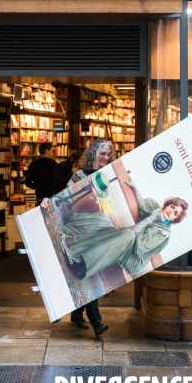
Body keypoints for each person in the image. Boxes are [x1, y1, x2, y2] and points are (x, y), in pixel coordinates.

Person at [62, 181, 188, 282]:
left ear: (175, 219)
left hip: (133, 257)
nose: (171, 211)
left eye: (175, 213)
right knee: (103, 219)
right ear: (168, 204)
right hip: (127, 238)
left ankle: (83, 267)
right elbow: (142, 204)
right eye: (172, 207)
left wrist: (152, 218)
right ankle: (79, 253)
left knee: (128, 234)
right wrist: (135, 188)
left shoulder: (164, 234)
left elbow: (138, 245)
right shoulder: (156, 209)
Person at [66, 138, 115, 337]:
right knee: (88, 271)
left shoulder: (108, 176)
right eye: (102, 153)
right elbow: (65, 198)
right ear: (93, 153)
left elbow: (109, 205)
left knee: (88, 271)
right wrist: (47, 201)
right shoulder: (78, 177)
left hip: (98, 230)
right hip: (80, 228)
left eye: (108, 154)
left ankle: (77, 313)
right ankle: (96, 321)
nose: (105, 157)